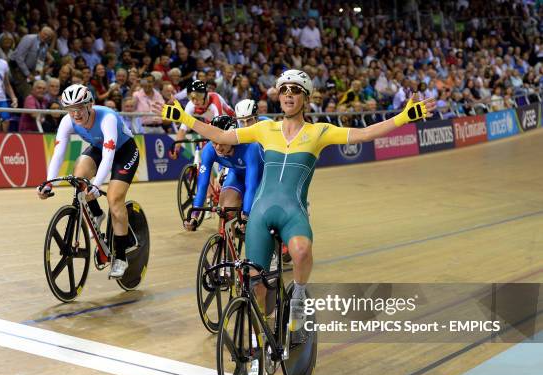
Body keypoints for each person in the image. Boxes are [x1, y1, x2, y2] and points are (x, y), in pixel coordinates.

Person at [159, 69, 434, 341]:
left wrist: (404, 117)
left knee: (301, 251)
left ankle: (299, 296)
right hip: (261, 212)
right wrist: (184, 117)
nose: (289, 95)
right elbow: (220, 136)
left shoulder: (320, 132)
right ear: (278, 96)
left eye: (296, 90)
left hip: (293, 212)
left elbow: (364, 134)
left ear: (306, 97)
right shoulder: (264, 129)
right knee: (257, 289)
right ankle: (260, 344)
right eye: (284, 90)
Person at [39, 84, 140, 278]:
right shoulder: (67, 122)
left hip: (124, 152)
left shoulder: (107, 118)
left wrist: (97, 184)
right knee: (79, 177)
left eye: (79, 108)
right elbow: (58, 154)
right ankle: (97, 213)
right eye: (70, 109)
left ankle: (120, 257)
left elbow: (109, 156)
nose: (75, 114)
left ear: (90, 105)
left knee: (114, 199)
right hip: (99, 148)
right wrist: (48, 182)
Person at [183, 115, 264, 231]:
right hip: (237, 176)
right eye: (214, 142)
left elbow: (251, 186)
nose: (218, 147)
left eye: (222, 142)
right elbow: (202, 186)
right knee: (225, 210)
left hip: (261, 178)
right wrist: (194, 215)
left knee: (254, 218)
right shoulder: (209, 151)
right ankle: (224, 245)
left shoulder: (250, 147)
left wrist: (246, 215)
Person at [170, 80, 233, 157]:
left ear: (205, 95)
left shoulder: (214, 100)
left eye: (198, 96)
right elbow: (183, 129)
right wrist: (176, 148)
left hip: (230, 121)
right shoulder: (191, 105)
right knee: (204, 152)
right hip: (210, 122)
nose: (195, 101)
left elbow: (218, 128)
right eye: (191, 97)